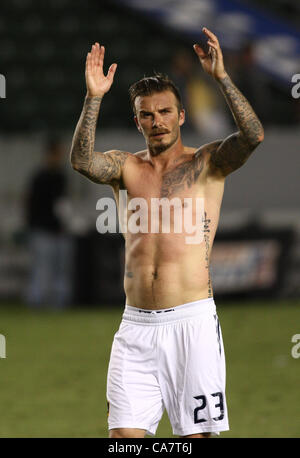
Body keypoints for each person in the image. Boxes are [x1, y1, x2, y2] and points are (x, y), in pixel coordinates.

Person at [70, 27, 264, 438]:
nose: (156, 121)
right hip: (135, 327)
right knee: (124, 440)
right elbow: (83, 161)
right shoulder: (126, 167)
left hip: (190, 325)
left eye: (163, 112)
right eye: (146, 114)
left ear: (181, 115)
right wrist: (93, 98)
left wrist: (221, 78)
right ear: (137, 120)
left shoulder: (208, 162)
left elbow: (253, 136)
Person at [26, 137, 73, 309]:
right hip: (42, 230)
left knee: (60, 268)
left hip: (58, 230)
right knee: (42, 268)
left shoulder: (61, 176)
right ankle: (37, 301)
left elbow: (62, 204)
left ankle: (59, 302)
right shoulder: (40, 177)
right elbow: (32, 205)